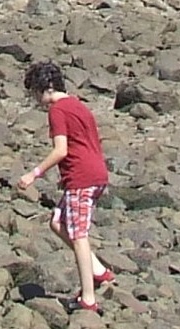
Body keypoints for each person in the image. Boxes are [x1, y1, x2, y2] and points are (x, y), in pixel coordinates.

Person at [14, 60, 113, 312]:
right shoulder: (77, 105)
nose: (34, 99)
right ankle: (99, 271)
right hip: (95, 173)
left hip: (82, 177)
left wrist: (33, 173)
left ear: (43, 88)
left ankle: (88, 299)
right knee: (58, 222)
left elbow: (61, 150)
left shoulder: (57, 110)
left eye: (34, 93)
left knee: (79, 235)